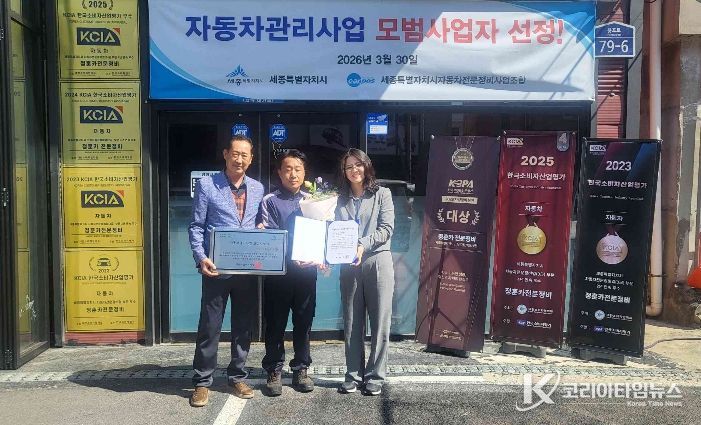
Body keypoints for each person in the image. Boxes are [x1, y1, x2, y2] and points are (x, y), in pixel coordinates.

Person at [187, 135, 265, 407]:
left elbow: (258, 223)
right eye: (235, 153)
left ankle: (237, 376)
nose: (239, 159)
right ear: (225, 154)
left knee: (243, 326)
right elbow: (196, 226)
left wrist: (262, 232)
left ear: (251, 159)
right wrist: (201, 258)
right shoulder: (208, 185)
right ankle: (202, 381)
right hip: (216, 269)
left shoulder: (257, 188)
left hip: (247, 270)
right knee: (210, 326)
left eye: (245, 155)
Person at [335, 148, 395, 396]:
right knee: (351, 321)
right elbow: (330, 230)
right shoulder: (338, 198)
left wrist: (362, 244)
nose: (354, 170)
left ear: (366, 166)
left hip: (377, 261)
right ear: (344, 171)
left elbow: (387, 229)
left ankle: (375, 376)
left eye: (358, 165)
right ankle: (353, 375)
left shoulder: (382, 194)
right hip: (348, 264)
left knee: (380, 321)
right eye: (349, 167)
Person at [258, 149, 318, 397]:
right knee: (275, 322)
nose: (293, 174)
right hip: (278, 274)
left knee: (304, 322)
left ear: (305, 173)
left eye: (298, 169)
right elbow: (271, 236)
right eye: (288, 169)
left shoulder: (314, 200)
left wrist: (318, 255)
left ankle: (301, 368)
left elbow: (321, 234)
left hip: (306, 273)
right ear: (279, 172)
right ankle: (274, 369)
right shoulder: (269, 200)